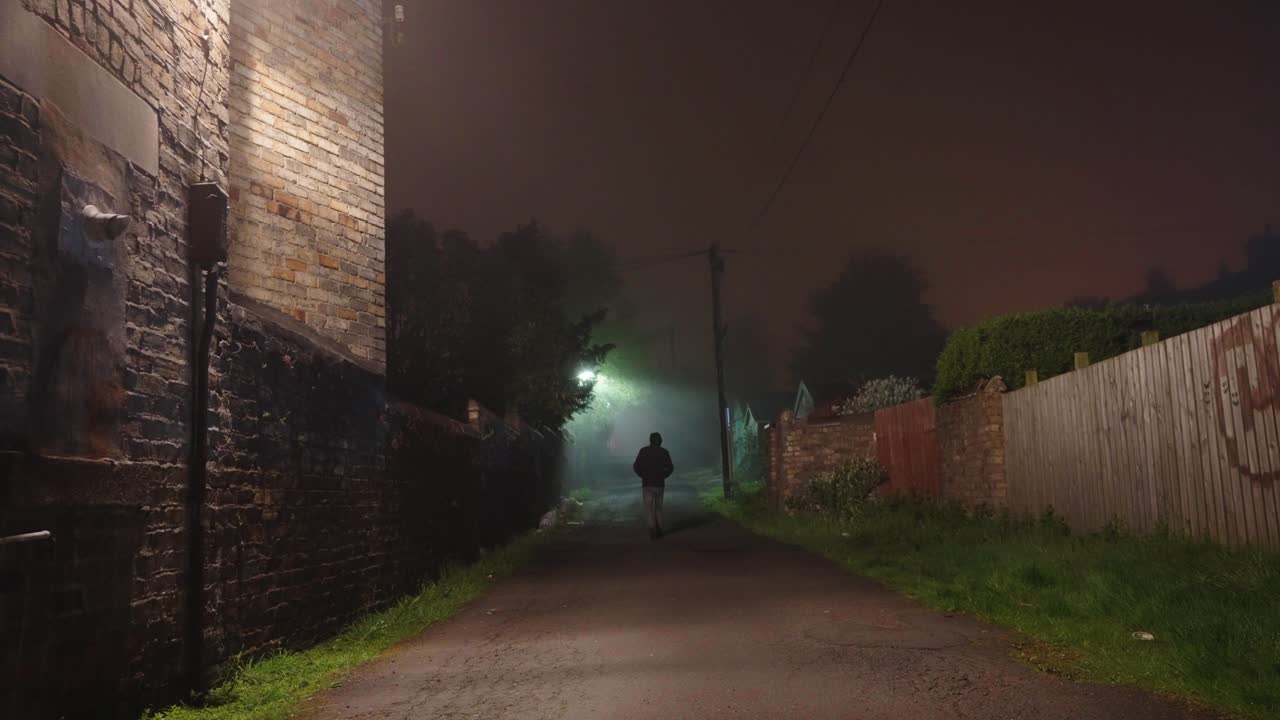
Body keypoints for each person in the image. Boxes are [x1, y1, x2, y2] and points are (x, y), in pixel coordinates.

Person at [632, 432, 674, 539]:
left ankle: (652, 529)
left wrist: (642, 475)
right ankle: (660, 528)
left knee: (649, 508)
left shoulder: (643, 451)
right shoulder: (664, 452)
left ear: (650, 440)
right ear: (660, 441)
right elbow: (670, 467)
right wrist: (664, 475)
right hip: (659, 484)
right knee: (659, 508)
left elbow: (636, 466)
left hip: (647, 484)